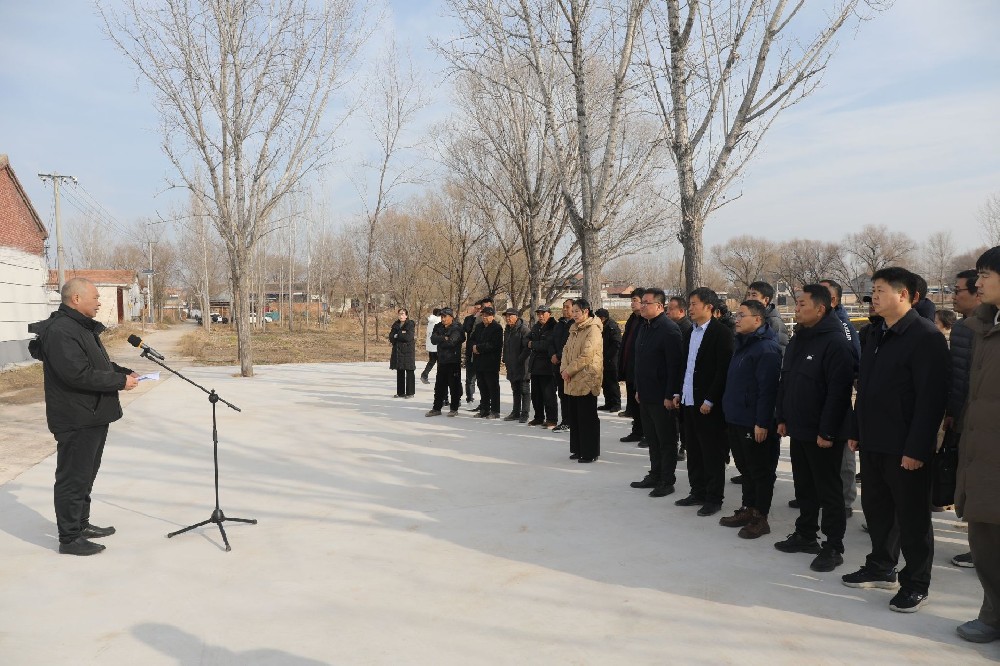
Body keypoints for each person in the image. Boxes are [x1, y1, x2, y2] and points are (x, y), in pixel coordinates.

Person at [843, 267, 949, 614]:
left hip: (906, 447)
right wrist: (857, 430)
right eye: (873, 289)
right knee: (877, 510)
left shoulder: (924, 336)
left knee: (913, 518)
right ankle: (881, 566)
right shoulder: (874, 333)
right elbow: (866, 388)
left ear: (904, 295)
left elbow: (931, 400)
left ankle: (916, 583)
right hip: (874, 441)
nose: (874, 296)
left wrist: (917, 449)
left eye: (881, 290)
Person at [27, 277, 139, 556]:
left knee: (86, 475)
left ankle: (81, 524)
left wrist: (122, 372)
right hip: (75, 417)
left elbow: (95, 364)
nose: (100, 302)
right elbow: (76, 374)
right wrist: (118, 383)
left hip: (92, 414)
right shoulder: (62, 331)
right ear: (76, 299)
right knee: (72, 478)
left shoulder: (80, 327)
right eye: (96, 298)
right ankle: (69, 537)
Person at [773, 285, 855, 572]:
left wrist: (828, 431)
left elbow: (839, 392)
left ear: (820, 308)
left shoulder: (835, 341)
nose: (796, 308)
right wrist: (782, 416)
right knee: (804, 485)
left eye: (801, 304)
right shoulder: (800, 339)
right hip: (799, 428)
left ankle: (833, 546)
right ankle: (806, 534)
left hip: (824, 433)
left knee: (829, 490)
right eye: (796, 303)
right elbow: (787, 380)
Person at [954, 246, 1000, 643]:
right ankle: (993, 614)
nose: (977, 282)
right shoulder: (982, 326)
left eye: (986, 275)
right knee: (984, 540)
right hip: (981, 452)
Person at [718, 299, 781, 539]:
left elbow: (768, 390)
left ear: (757, 319)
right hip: (736, 417)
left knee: (760, 471)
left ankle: (759, 517)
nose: (736, 318)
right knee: (745, 468)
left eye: (741, 315)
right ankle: (747, 508)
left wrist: (763, 422)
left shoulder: (766, 349)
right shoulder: (742, 345)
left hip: (754, 421)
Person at [673, 287, 734, 517]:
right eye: (689, 304)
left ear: (709, 306)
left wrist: (710, 398)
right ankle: (697, 491)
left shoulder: (721, 333)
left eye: (694, 303)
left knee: (712, 452)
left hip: (708, 405)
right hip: (689, 400)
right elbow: (686, 367)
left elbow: (722, 370)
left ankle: (713, 497)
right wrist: (679, 392)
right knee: (694, 449)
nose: (690, 308)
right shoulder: (690, 332)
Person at [629, 288, 684, 497]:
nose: (642, 306)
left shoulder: (669, 330)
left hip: (663, 397)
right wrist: (638, 390)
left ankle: (667, 480)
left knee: (666, 440)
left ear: (659, 306)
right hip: (646, 394)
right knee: (652, 438)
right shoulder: (644, 327)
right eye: (641, 302)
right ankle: (655, 474)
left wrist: (670, 395)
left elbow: (674, 367)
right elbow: (640, 361)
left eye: (646, 303)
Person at [945, 269, 981, 568]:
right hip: (963, 417)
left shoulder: (983, 329)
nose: (954, 295)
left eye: (958, 290)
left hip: (979, 420)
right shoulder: (963, 327)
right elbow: (957, 378)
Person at [819, 278, 862, 520]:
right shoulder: (817, 324)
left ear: (833, 300)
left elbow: (853, 364)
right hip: (819, 398)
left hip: (842, 397)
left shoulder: (843, 326)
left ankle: (845, 500)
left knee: (844, 452)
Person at [560, 298, 603, 463]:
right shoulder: (573, 329)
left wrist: (569, 370)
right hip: (571, 378)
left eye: (577, 311)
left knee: (587, 417)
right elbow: (565, 350)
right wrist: (564, 369)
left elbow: (587, 355)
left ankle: (590, 452)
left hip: (586, 378)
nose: (574, 314)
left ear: (586, 311)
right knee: (575, 416)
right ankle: (578, 449)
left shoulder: (593, 329)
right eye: (574, 311)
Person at [618, 288, 646, 444]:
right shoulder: (632, 319)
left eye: (635, 300)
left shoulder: (645, 321)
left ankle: (646, 433)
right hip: (629, 367)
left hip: (640, 369)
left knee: (642, 403)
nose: (632, 303)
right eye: (632, 300)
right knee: (633, 403)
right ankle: (636, 431)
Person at [426, 308, 465, 417]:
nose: (442, 319)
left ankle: (454, 408)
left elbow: (452, 342)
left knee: (454, 386)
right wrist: (444, 338)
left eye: (445, 317)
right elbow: (433, 340)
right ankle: (436, 408)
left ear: (451, 317)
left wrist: (441, 340)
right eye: (441, 317)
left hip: (453, 361)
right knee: (439, 386)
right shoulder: (438, 326)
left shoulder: (457, 327)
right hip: (442, 360)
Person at [527, 305, 558, 428]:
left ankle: (552, 419)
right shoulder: (536, 326)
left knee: (548, 395)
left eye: (543, 313)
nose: (540, 316)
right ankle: (538, 417)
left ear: (549, 314)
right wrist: (532, 344)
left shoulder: (554, 326)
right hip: (535, 366)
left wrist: (533, 344)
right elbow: (526, 340)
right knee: (536, 395)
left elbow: (548, 344)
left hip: (547, 367)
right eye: (539, 314)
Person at [470, 305, 504, 418]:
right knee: (482, 386)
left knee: (492, 387)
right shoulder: (479, 327)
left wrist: (478, 348)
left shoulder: (497, 328)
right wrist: (474, 346)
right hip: (479, 361)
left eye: (487, 315)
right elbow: (472, 339)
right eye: (483, 315)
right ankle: (484, 409)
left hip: (491, 362)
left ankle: (495, 411)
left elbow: (494, 345)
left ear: (492, 316)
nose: (484, 317)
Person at [502, 308, 531, 422]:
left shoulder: (524, 330)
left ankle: (525, 413)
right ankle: (515, 412)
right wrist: (505, 358)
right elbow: (506, 346)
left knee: (524, 390)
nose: (508, 318)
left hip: (522, 365)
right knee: (515, 390)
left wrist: (519, 359)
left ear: (517, 316)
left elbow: (527, 348)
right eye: (506, 316)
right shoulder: (508, 330)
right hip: (511, 364)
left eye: (510, 316)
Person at [550, 299, 575, 432]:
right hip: (556, 364)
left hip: (568, 364)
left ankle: (570, 421)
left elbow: (570, 345)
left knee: (569, 395)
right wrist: (553, 354)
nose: (565, 309)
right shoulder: (559, 324)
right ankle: (565, 419)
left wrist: (559, 356)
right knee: (562, 393)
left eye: (568, 307)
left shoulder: (575, 324)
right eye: (563, 307)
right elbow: (552, 341)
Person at [746, 281, 789, 354]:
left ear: (766, 300)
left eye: (754, 295)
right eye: (748, 294)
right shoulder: (750, 318)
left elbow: (780, 350)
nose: (749, 298)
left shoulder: (774, 322)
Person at [595, 308, 622, 412]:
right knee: (605, 382)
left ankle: (616, 403)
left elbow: (616, 344)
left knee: (612, 382)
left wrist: (608, 357)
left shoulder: (612, 327)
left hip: (612, 360)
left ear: (602, 318)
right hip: (602, 359)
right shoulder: (601, 327)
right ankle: (608, 403)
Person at [388, 308, 416, 398]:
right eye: (399, 314)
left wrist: (398, 335)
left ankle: (410, 393)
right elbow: (391, 337)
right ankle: (400, 392)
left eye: (403, 314)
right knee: (400, 371)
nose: (401, 315)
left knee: (409, 371)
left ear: (406, 315)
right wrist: (398, 335)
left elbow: (408, 337)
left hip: (408, 351)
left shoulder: (410, 324)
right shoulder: (395, 324)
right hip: (398, 351)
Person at [462, 300, 484, 405]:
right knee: (470, 377)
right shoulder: (468, 319)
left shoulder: (485, 320)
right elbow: (467, 329)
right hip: (470, 351)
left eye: (480, 308)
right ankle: (469, 398)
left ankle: (483, 400)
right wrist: (475, 318)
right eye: (476, 308)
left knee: (481, 378)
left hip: (481, 352)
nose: (477, 310)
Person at [420, 308, 441, 384]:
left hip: (430, 345)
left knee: (431, 361)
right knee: (440, 362)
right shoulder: (439, 322)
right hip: (437, 345)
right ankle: (440, 378)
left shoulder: (430, 322)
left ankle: (424, 375)